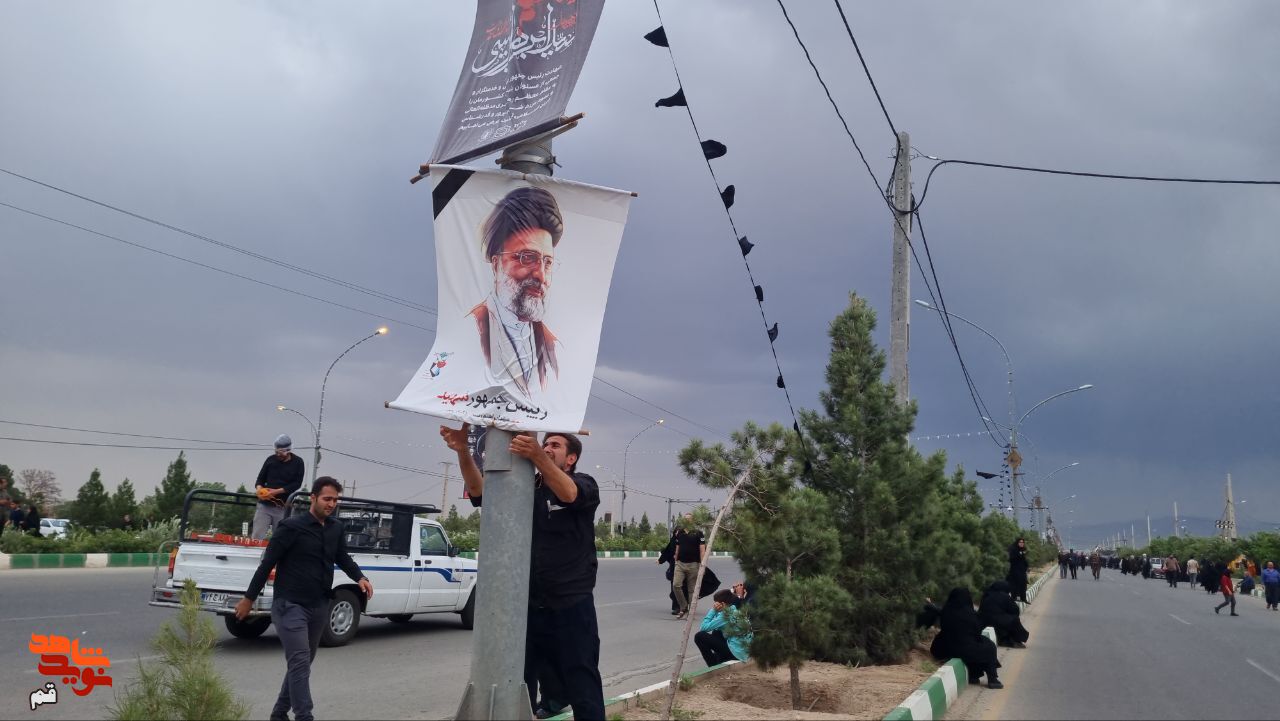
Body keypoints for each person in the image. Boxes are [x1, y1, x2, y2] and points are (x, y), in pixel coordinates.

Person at [441, 422, 605, 721]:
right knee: (521, 677)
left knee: (581, 676)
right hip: (527, 603)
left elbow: (569, 494)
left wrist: (537, 456)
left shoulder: (583, 483)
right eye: (546, 443)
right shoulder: (524, 487)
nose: (547, 448)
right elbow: (479, 491)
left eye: (555, 445)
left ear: (571, 458)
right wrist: (463, 450)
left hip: (571, 601)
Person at [235, 477, 371, 721]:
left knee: (303, 663)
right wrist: (248, 598)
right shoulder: (290, 527)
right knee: (299, 660)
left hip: (319, 605)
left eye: (335, 500)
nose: (331, 504)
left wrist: (360, 577)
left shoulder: (335, 528)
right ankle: (304, 716)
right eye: (327, 499)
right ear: (313, 498)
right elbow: (267, 564)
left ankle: (279, 713)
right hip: (289, 605)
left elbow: (342, 557)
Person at [469, 186, 564, 397]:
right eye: (527, 258)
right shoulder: (470, 329)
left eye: (547, 262)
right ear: (496, 265)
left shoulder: (554, 347)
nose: (541, 275)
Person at [919, 588, 1003, 689]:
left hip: (945, 648)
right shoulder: (971, 614)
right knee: (989, 647)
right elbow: (977, 633)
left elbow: (938, 612)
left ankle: (974, 674)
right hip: (966, 649)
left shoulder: (946, 611)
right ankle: (992, 679)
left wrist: (929, 604)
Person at [252, 434, 306, 540]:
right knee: (257, 536)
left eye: (281, 452)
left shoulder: (298, 462)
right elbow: (260, 479)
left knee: (281, 538)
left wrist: (276, 492)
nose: (278, 454)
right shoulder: (270, 460)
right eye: (276, 452)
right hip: (264, 505)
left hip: (283, 507)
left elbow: (296, 484)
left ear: (288, 450)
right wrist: (259, 489)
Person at [693, 589, 753, 667]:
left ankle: (713, 666)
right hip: (744, 651)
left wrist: (713, 611)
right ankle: (720, 660)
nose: (715, 605)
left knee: (699, 636)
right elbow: (717, 626)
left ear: (723, 604)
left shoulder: (726, 615)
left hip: (737, 654)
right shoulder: (736, 611)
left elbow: (703, 628)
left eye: (716, 603)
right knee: (717, 632)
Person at [671, 513, 707, 620]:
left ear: (692, 520)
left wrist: (703, 565)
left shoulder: (698, 533)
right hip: (680, 564)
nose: (687, 521)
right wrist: (676, 560)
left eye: (689, 519)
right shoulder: (680, 533)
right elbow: (677, 547)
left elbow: (702, 550)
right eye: (685, 519)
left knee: (692, 590)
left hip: (694, 565)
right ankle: (683, 607)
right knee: (676, 585)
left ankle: (691, 613)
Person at [978, 580, 1029, 648]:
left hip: (983, 621)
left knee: (1003, 619)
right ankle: (1012, 640)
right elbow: (1015, 610)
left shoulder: (986, 594)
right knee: (1013, 620)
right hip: (997, 621)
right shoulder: (1004, 596)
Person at [1007, 538, 1030, 604]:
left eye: (1023, 542)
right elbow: (1012, 558)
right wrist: (1020, 554)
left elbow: (1024, 560)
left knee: (1023, 584)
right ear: (1017, 543)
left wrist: (1027, 567)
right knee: (1015, 585)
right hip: (1014, 570)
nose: (1022, 543)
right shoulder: (1013, 549)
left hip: (1022, 570)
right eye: (1020, 542)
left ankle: (1023, 599)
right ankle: (1013, 599)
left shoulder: (1023, 550)